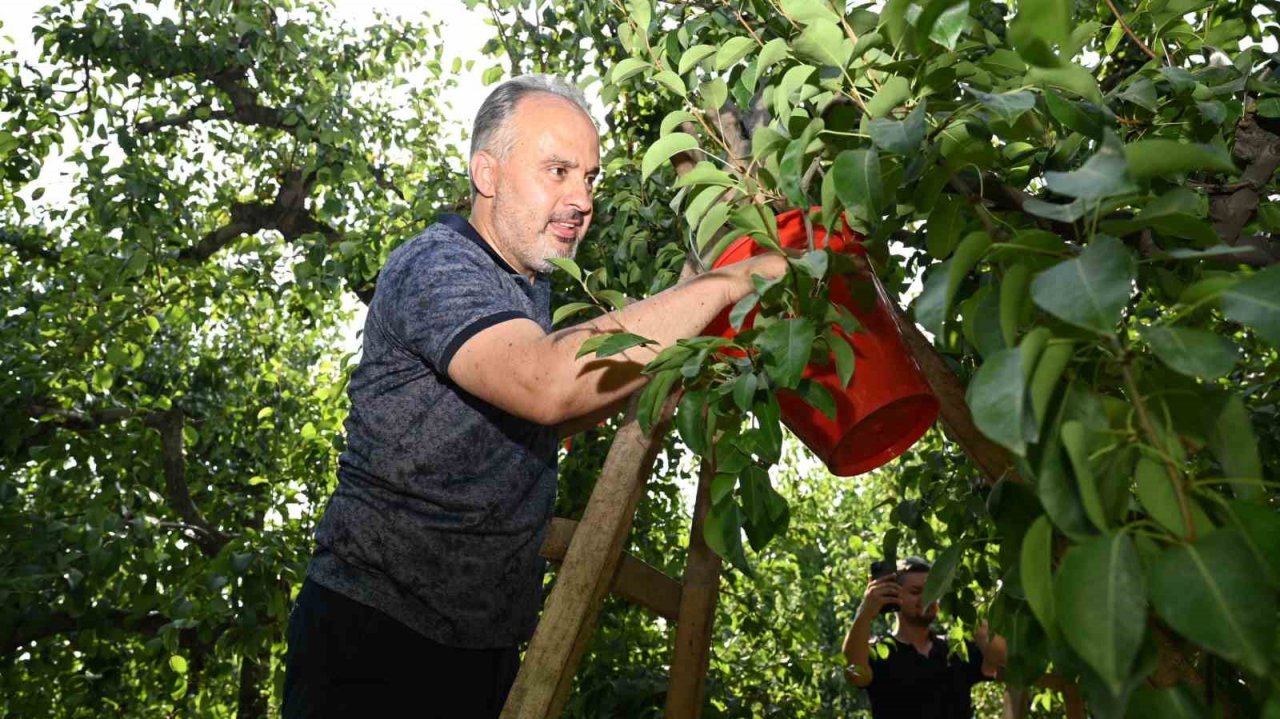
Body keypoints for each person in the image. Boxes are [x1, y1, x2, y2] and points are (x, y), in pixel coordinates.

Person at [281, 74, 788, 718]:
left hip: (479, 647)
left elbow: (582, 393)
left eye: (591, 178)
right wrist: (725, 283)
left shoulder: (525, 290)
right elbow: (548, 384)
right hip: (376, 640)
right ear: (486, 173)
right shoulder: (438, 267)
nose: (582, 198)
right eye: (557, 171)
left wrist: (698, 312)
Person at [843, 556, 1007, 719]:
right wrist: (865, 612)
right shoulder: (880, 652)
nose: (926, 598)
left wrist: (966, 612)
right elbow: (854, 673)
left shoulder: (956, 650)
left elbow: (1007, 664)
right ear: (894, 596)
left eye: (932, 591)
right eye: (916, 592)